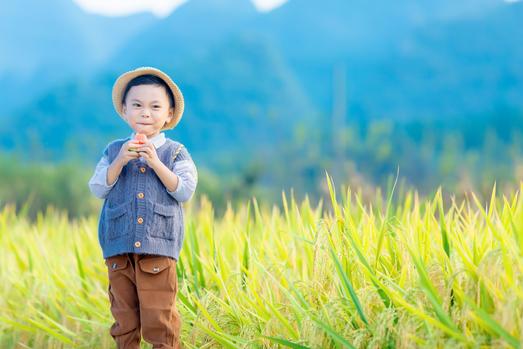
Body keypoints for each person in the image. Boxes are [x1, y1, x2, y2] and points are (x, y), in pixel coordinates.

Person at [88, 66, 198, 349]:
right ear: (124, 110)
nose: (145, 113)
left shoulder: (175, 152)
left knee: (160, 320)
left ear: (169, 114)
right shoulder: (114, 150)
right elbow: (98, 187)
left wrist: (156, 163)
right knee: (124, 321)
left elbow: (184, 190)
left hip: (158, 249)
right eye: (137, 105)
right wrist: (120, 161)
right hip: (118, 249)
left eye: (155, 106)